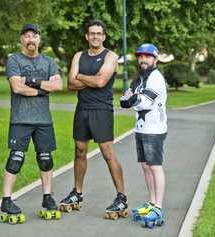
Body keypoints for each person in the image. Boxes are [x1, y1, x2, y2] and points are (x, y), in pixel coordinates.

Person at [59, 19, 128, 218]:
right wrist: (86, 78)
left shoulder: (111, 56)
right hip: (82, 109)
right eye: (92, 33)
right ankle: (77, 193)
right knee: (80, 150)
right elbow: (70, 85)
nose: (95, 36)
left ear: (103, 37)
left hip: (102, 109)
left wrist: (80, 76)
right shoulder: (79, 55)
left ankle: (121, 196)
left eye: (99, 33)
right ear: (87, 36)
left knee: (107, 153)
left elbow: (100, 81)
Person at [0, 23, 63, 223]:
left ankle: (47, 197)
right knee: (16, 159)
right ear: (21, 40)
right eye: (26, 36)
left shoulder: (49, 62)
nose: (30, 40)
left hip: (43, 120)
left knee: (46, 159)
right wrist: (42, 90)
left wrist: (32, 82)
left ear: (39, 39)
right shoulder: (14, 60)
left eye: (34, 36)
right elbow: (17, 87)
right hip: (20, 119)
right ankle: (6, 200)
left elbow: (58, 85)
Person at [120, 43, 167, 227]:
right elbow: (129, 94)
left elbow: (145, 102)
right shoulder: (140, 78)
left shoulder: (156, 78)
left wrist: (131, 100)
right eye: (140, 56)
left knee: (155, 167)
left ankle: (159, 207)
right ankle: (152, 202)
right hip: (141, 128)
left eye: (147, 56)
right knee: (145, 167)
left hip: (154, 129)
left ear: (155, 59)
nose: (143, 59)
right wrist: (128, 99)